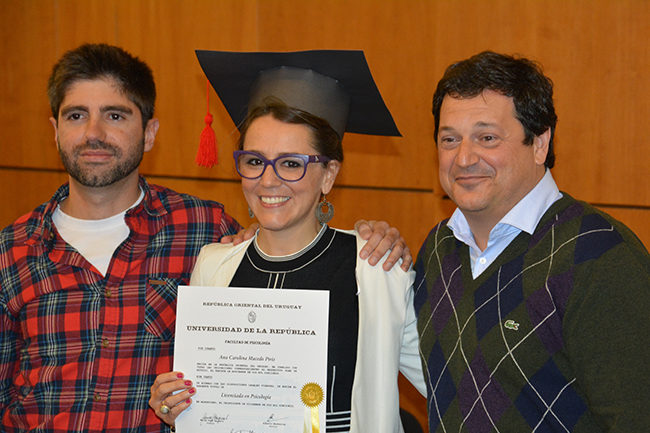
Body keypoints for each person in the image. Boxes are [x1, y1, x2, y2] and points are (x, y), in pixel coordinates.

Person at [0, 43, 409, 433]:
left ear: (149, 132)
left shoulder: (202, 229)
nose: (94, 132)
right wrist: (176, 407)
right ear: (54, 130)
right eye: (76, 116)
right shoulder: (11, 251)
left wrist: (378, 240)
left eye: (115, 115)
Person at [149, 50, 426, 433]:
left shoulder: (376, 267)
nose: (267, 180)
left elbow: (450, 387)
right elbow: (208, 399)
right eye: (254, 161)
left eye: (291, 163)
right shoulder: (214, 265)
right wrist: (177, 406)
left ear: (328, 174)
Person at [413, 51, 650, 432]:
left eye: (487, 138)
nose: (464, 158)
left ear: (540, 143)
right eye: (449, 139)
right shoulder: (438, 250)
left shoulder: (600, 257)